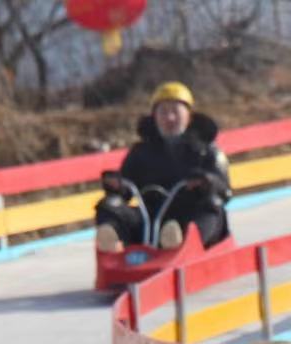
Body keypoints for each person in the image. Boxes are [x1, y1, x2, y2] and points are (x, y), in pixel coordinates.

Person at [96, 81, 232, 253]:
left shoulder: (206, 151)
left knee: (212, 206)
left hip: (189, 213)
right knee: (110, 205)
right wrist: (117, 186)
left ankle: (181, 245)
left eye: (175, 111)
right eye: (163, 112)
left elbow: (225, 190)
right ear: (155, 117)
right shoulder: (142, 151)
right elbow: (127, 189)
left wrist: (206, 182)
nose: (170, 118)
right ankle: (113, 243)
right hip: (150, 219)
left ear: (189, 116)